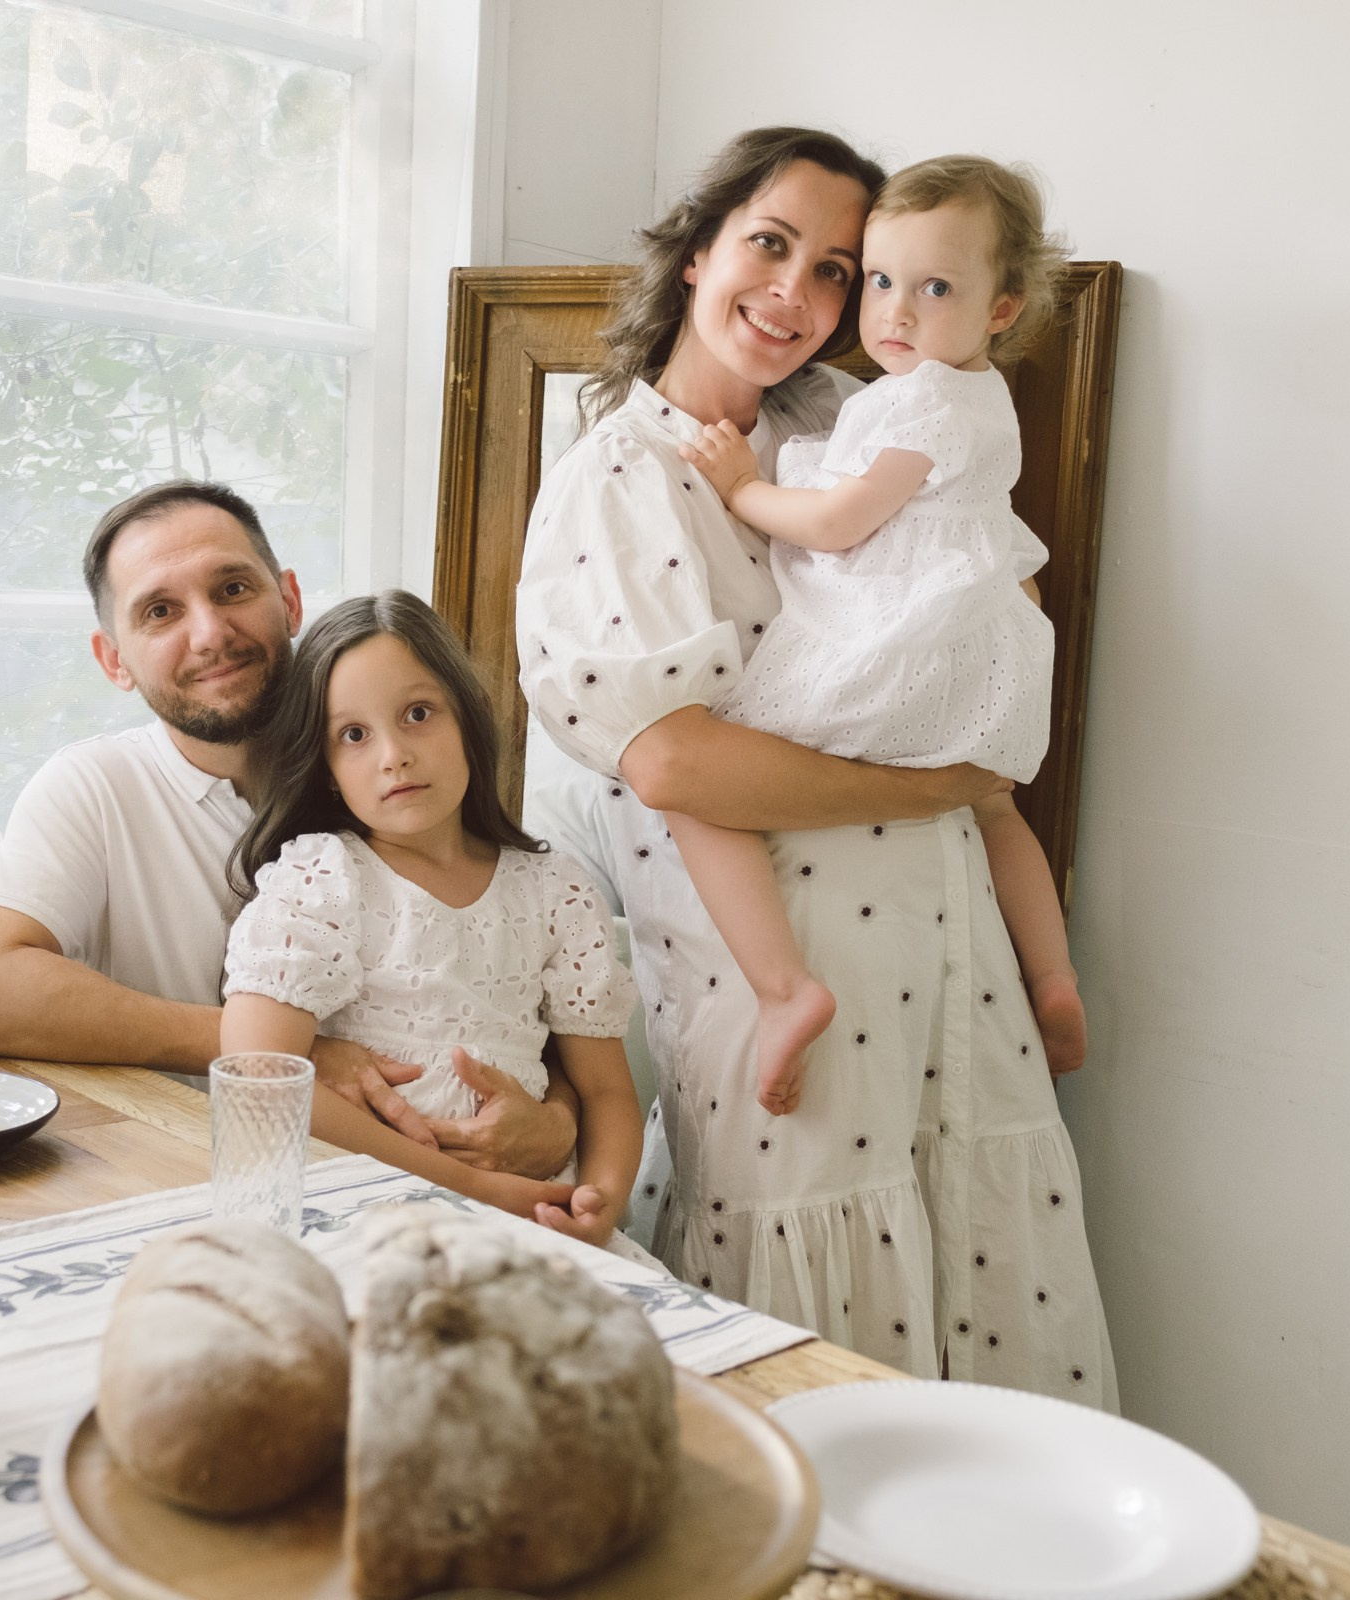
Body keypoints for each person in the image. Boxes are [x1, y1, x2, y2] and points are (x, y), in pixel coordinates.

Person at [514, 125, 1116, 1407]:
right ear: (699, 250)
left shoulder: (851, 415)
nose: (801, 292)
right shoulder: (618, 480)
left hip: (949, 965)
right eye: (770, 244)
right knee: (824, 1396)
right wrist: (945, 785)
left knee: (987, 1332)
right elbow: (675, 762)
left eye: (839, 269)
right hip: (791, 1002)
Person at [0, 481, 580, 1185]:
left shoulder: (392, 774)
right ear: (113, 658)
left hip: (448, 1190)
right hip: (203, 1186)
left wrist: (558, 1122)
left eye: (233, 588)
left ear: (289, 600)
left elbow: (513, 988)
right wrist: (276, 1052)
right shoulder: (95, 787)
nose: (209, 632)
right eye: (160, 611)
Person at [672, 155, 1085, 1119]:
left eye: (934, 287)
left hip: (897, 644)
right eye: (881, 281)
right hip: (969, 638)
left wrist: (741, 487)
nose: (895, 313)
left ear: (1001, 309)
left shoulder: (925, 401)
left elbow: (838, 523)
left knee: (704, 790)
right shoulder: (967, 394)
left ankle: (785, 988)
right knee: (996, 811)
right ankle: (1054, 974)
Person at [219, 592, 644, 1246]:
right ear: (327, 772)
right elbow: (256, 1072)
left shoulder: (552, 888)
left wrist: (600, 1207)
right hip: (363, 1216)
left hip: (534, 1216)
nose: (393, 754)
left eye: (418, 714)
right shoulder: (323, 878)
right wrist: (470, 1188)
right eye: (353, 735)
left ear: (467, 720)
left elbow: (608, 1092)